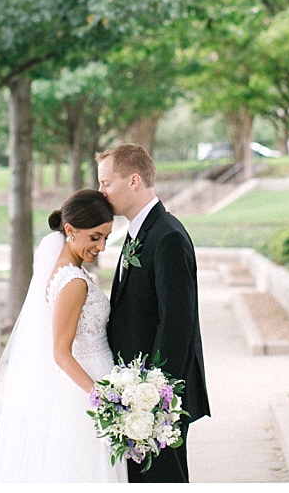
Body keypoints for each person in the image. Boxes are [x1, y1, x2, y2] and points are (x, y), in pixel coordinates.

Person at [0, 188, 128, 483]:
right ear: (70, 231)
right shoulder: (73, 282)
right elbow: (61, 353)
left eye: (106, 237)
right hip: (87, 389)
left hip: (84, 386)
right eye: (95, 237)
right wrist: (103, 398)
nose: (100, 247)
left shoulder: (67, 271)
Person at [98, 143, 210, 483]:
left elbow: (177, 324)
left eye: (106, 183)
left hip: (159, 401)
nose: (101, 192)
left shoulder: (168, 236)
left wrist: (153, 399)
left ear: (134, 181)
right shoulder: (138, 233)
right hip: (139, 397)